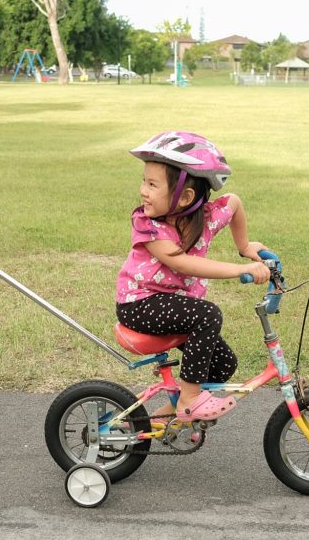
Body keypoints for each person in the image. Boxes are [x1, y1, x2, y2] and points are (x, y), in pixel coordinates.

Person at [115, 131, 271, 422]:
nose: (143, 190)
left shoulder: (207, 218)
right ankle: (189, 401)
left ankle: (167, 419)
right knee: (207, 315)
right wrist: (241, 269)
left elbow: (233, 203)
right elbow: (183, 264)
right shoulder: (149, 226)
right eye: (144, 181)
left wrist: (245, 247)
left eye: (152, 184)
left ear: (185, 197)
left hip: (171, 306)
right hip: (139, 304)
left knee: (223, 364)